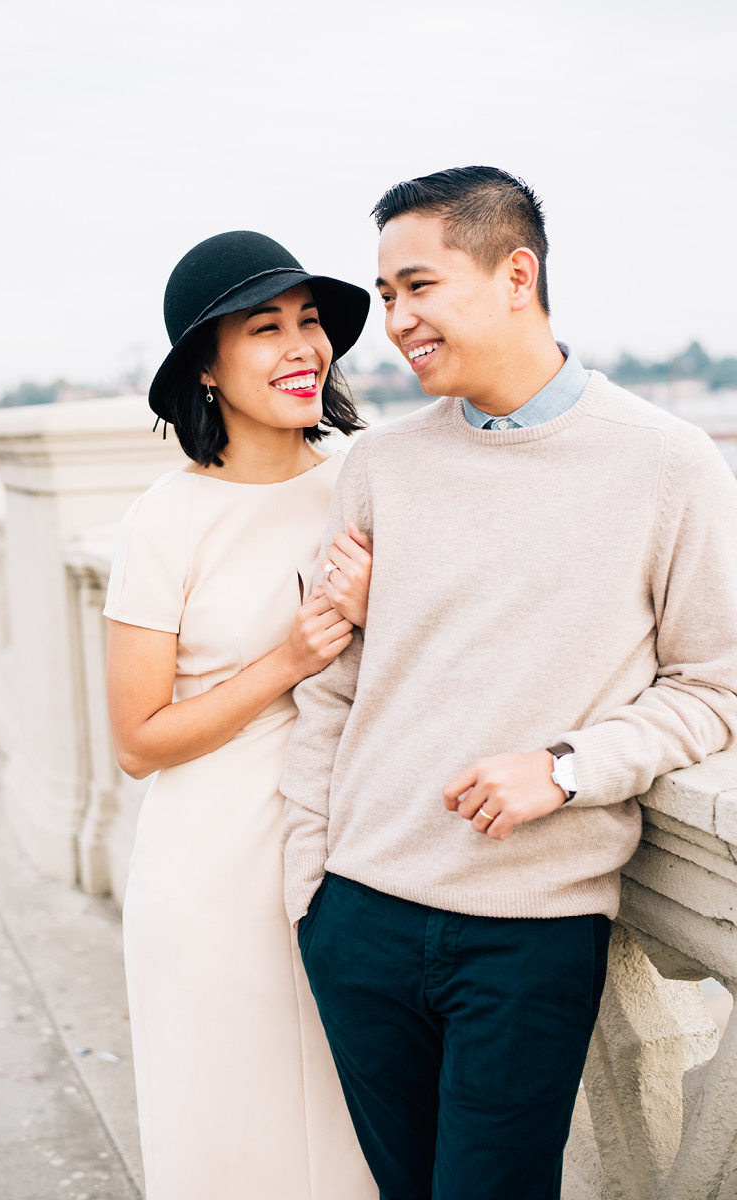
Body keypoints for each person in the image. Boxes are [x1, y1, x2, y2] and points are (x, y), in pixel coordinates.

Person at [281, 166, 737, 1200]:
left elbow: (714, 686)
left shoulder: (666, 464)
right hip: (357, 917)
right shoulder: (378, 466)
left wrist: (567, 767)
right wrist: (308, 892)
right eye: (386, 295)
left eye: (416, 286)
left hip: (528, 932)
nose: (393, 320)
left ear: (513, 272)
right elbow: (330, 690)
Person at [104, 230, 378, 1200]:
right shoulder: (164, 521)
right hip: (209, 881)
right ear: (206, 370)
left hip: (352, 864)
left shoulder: (367, 479)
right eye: (265, 327)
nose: (301, 345)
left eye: (310, 323)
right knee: (234, 1145)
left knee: (352, 1143)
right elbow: (138, 741)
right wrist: (288, 659)